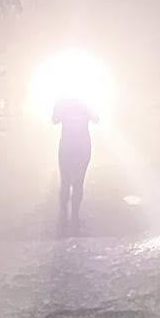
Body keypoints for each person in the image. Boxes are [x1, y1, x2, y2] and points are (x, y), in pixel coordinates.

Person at [53, 96, 97, 235]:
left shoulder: (64, 102)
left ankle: (67, 215)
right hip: (81, 147)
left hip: (69, 146)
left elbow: (54, 120)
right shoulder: (84, 102)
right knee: (75, 182)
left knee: (67, 182)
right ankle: (72, 216)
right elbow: (96, 119)